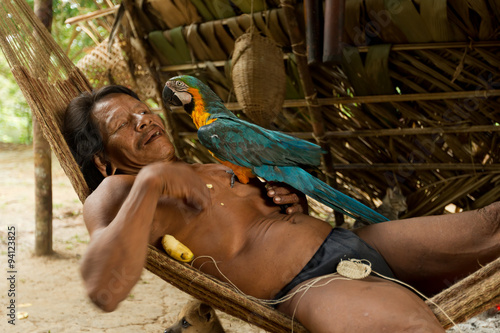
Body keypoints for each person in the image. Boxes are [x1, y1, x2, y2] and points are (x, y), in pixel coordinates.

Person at [64, 85, 500, 333]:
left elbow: (270, 207)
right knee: (411, 330)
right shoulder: (116, 191)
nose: (144, 119)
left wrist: (289, 198)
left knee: (492, 222)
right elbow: (103, 282)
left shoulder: (212, 157)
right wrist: (150, 183)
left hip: (354, 243)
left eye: (142, 110)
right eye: (124, 124)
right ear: (105, 161)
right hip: (312, 286)